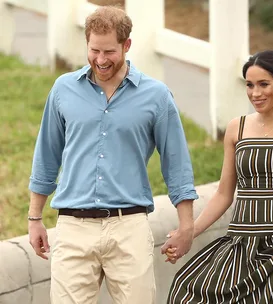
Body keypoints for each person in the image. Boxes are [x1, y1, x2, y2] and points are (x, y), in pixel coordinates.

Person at [27, 6, 197, 304]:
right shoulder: (63, 89)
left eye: (109, 52)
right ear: (87, 44)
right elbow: (46, 156)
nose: (101, 60)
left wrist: (186, 226)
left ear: (126, 45)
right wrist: (34, 218)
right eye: (94, 51)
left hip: (128, 226)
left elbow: (177, 165)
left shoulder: (156, 96)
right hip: (72, 226)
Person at [165, 50, 273, 303]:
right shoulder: (237, 127)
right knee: (186, 290)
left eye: (264, 84)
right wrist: (189, 232)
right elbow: (224, 194)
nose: (255, 93)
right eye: (249, 85)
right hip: (241, 246)